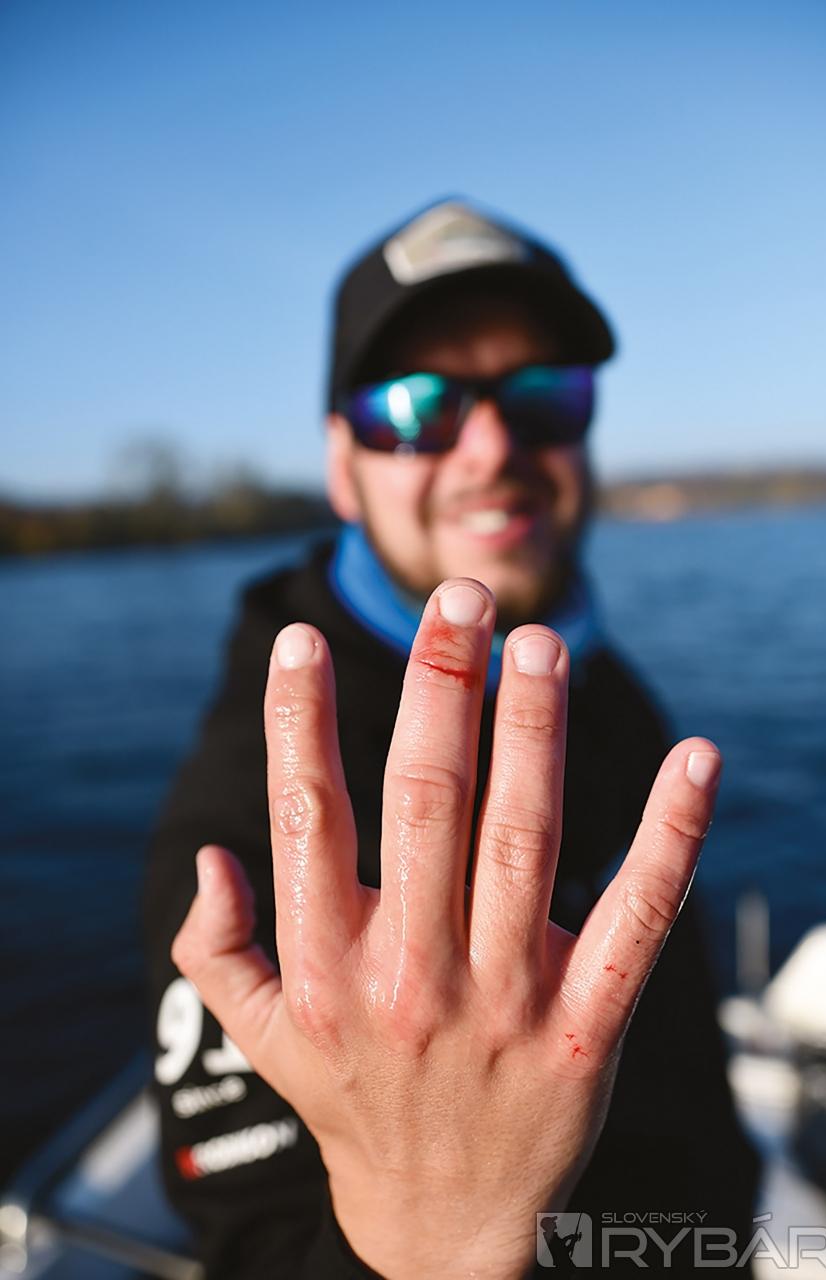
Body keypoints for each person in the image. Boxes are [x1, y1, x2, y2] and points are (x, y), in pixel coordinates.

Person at [144, 199, 759, 1277]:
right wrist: (425, 1234)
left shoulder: (599, 685)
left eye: (544, 396)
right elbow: (254, 1235)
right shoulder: (273, 795)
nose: (492, 446)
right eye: (414, 407)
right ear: (342, 465)